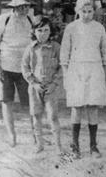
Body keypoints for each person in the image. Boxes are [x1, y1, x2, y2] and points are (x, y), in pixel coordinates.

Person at [60, 0, 106, 158]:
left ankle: (93, 146)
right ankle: (75, 146)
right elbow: (64, 54)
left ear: (94, 12)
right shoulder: (71, 28)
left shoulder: (99, 28)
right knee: (77, 107)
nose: (87, 14)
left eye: (90, 11)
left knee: (92, 107)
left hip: (94, 69)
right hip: (76, 69)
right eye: (84, 11)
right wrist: (66, 75)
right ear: (77, 11)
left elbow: (105, 53)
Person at [0, 0, 37, 147]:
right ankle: (12, 135)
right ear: (14, 6)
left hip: (25, 69)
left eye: (26, 6)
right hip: (5, 68)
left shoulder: (30, 19)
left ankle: (36, 134)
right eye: (21, 6)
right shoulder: (3, 19)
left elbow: (35, 43)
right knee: (7, 102)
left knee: (31, 103)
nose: (24, 9)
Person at [21, 17, 63, 154]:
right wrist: (33, 82)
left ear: (51, 32)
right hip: (35, 88)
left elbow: (62, 66)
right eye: (40, 30)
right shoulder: (31, 48)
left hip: (51, 88)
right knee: (36, 115)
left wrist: (54, 83)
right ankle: (39, 144)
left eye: (46, 30)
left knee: (53, 116)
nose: (43, 34)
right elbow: (25, 67)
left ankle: (58, 145)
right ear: (34, 31)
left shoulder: (56, 47)